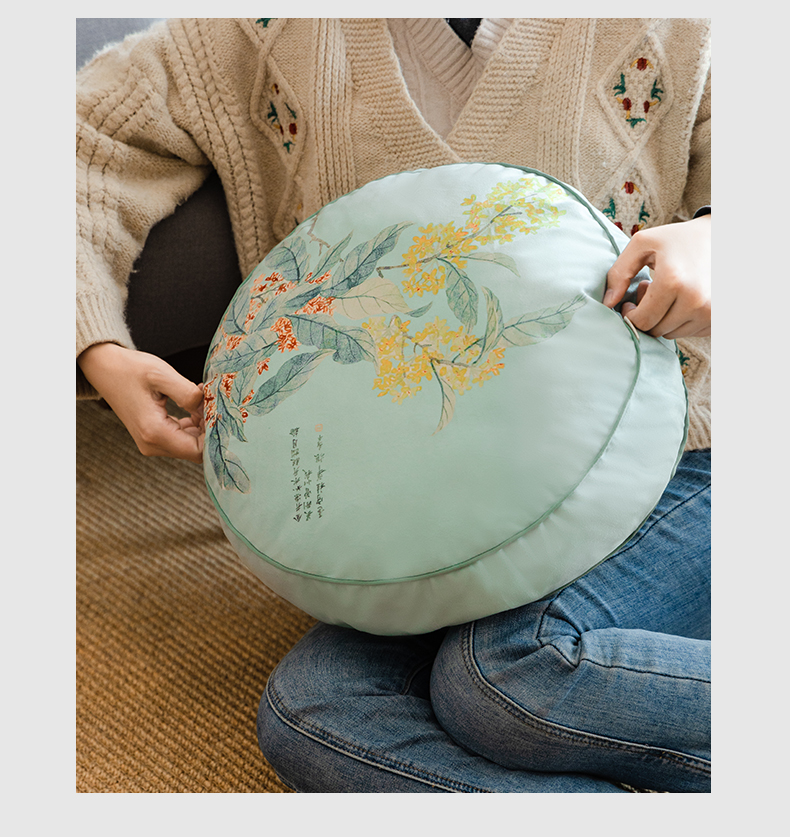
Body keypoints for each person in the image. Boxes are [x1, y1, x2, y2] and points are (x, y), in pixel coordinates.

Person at [76, 18, 711, 792]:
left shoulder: (695, 25)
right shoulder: (247, 31)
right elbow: (69, 146)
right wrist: (96, 345)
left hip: (690, 460)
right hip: (418, 517)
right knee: (314, 713)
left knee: (507, 676)